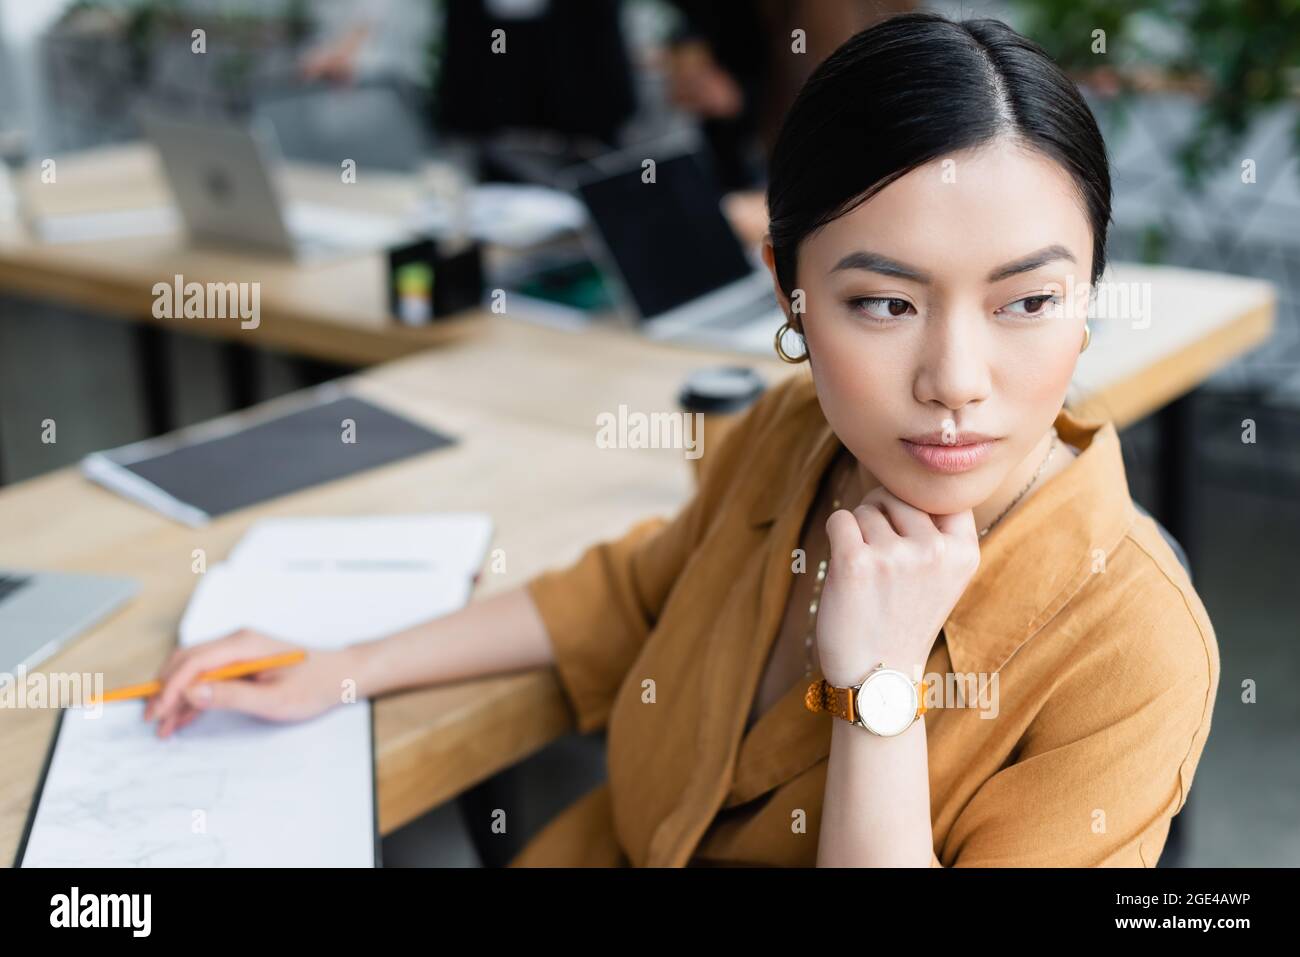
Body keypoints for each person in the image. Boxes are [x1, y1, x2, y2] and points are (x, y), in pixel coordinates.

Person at [146, 12, 1219, 867]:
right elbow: (631, 595)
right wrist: (342, 665)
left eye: (1025, 302)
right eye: (884, 306)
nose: (954, 382)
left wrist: (878, 692)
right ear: (790, 298)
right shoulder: (794, 431)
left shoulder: (1133, 656)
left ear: (1087, 301)